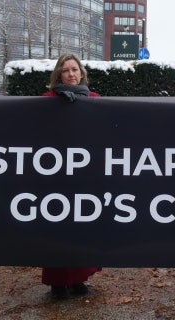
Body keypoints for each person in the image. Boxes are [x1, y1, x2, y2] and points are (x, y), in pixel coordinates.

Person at [41, 53, 101, 299]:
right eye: (66, 70)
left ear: (81, 73)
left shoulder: (95, 100)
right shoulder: (47, 101)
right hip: (56, 175)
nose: (71, 74)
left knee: (83, 228)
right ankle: (57, 283)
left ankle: (79, 279)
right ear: (59, 74)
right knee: (57, 229)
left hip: (84, 174)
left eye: (75, 70)